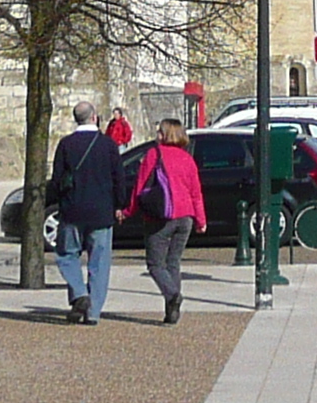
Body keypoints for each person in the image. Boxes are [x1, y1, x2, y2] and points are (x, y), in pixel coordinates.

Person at [119, 118, 208, 325]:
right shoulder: (187, 159)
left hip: (161, 215)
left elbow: (140, 188)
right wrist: (200, 219)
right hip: (185, 216)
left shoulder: (153, 155)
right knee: (173, 263)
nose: (156, 135)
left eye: (160, 132)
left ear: (166, 135)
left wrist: (127, 211)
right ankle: (171, 312)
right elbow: (196, 193)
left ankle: (172, 295)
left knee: (155, 264)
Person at [48, 101, 124, 325]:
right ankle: (93, 312)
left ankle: (79, 294)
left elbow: (57, 180)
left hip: (73, 210)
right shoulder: (108, 145)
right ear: (95, 117)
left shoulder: (66, 144)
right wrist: (119, 205)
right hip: (102, 211)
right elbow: (118, 178)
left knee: (67, 255)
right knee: (99, 263)